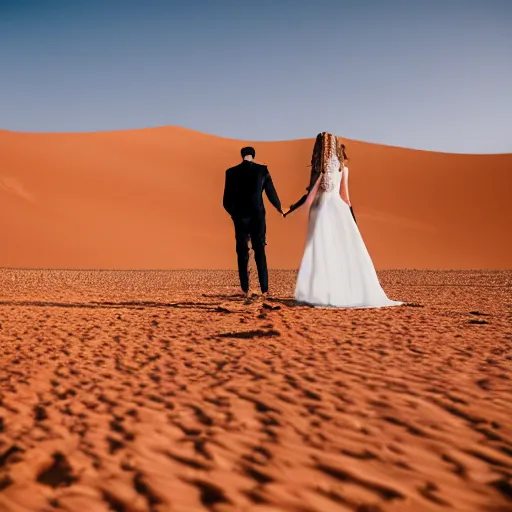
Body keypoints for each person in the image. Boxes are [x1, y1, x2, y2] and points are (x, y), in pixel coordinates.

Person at [283, 132, 402, 308]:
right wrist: (352, 219)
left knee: (321, 251)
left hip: (320, 209)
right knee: (340, 251)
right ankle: (340, 292)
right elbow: (346, 198)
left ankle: (321, 293)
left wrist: (293, 208)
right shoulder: (342, 169)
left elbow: (310, 194)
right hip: (338, 211)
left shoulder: (318, 169)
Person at [223, 146, 283, 298]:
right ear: (253, 156)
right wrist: (280, 208)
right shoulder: (262, 170)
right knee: (260, 251)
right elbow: (271, 193)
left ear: (242, 155)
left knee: (242, 253)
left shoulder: (230, 172)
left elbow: (225, 201)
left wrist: (234, 214)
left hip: (240, 218)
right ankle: (265, 290)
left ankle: (245, 289)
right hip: (258, 217)